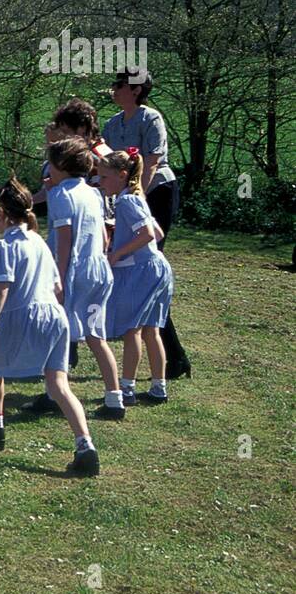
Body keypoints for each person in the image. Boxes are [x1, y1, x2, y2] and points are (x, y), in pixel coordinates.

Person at [0, 178, 100, 476]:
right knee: (59, 385)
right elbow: (57, 287)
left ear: (1, 212)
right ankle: (86, 445)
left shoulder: (6, 245)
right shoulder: (38, 241)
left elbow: (1, 289)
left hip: (25, 315)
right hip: (57, 318)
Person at [103, 68, 190, 380]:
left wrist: (135, 196)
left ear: (136, 90)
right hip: (130, 197)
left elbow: (150, 162)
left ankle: (170, 357)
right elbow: (106, 163)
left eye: (119, 84)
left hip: (157, 193)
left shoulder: (150, 118)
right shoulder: (113, 123)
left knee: (148, 272)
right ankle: (170, 357)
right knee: (142, 278)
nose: (113, 89)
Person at [35, 138, 123, 417]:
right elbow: (100, 234)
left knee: (58, 333)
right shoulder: (93, 192)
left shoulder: (61, 195)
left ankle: (54, 395)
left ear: (60, 166)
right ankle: (114, 398)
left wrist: (58, 280)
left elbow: (64, 239)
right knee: (96, 336)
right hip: (98, 269)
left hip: (74, 271)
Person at [98, 148, 174, 408]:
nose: (100, 182)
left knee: (133, 329)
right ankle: (158, 386)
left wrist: (117, 252)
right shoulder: (136, 196)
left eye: (105, 177)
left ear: (121, 175)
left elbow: (148, 235)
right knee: (151, 330)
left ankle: (127, 387)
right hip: (158, 268)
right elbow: (158, 231)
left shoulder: (126, 201)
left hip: (141, 271)